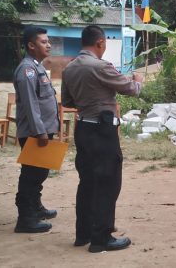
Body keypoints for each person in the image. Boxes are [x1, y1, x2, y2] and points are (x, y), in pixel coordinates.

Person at [61, 25, 143, 252]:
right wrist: (138, 80)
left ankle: (84, 233)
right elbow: (131, 89)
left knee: (87, 182)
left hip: (83, 129)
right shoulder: (100, 66)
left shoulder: (70, 69)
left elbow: (67, 101)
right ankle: (101, 238)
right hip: (102, 130)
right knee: (107, 182)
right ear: (100, 43)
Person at [13, 26, 60, 234]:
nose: (48, 44)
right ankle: (26, 218)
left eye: (48, 41)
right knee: (31, 175)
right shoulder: (27, 70)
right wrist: (40, 131)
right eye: (43, 41)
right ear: (31, 46)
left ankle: (36, 207)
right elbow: (31, 104)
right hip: (34, 132)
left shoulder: (37, 66)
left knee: (40, 172)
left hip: (43, 130)